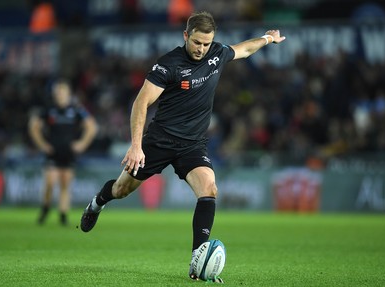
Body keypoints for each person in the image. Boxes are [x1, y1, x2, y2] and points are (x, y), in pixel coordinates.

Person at [80, 11, 285, 282]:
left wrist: (267, 39)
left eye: (206, 43)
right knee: (121, 189)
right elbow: (141, 103)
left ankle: (196, 261)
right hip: (159, 141)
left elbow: (244, 49)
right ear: (186, 36)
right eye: (197, 42)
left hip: (193, 144)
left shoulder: (216, 53)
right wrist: (136, 146)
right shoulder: (168, 65)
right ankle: (97, 203)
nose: (201, 49)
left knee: (209, 188)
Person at [29, 79, 97, 226]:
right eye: (58, 92)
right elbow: (34, 126)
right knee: (50, 182)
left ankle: (63, 215)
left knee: (66, 184)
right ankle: (46, 208)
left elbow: (91, 126)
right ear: (54, 94)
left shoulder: (76, 110)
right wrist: (42, 144)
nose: (60, 95)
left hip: (68, 153)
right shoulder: (49, 109)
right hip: (53, 152)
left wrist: (82, 144)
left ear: (68, 94)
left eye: (62, 92)